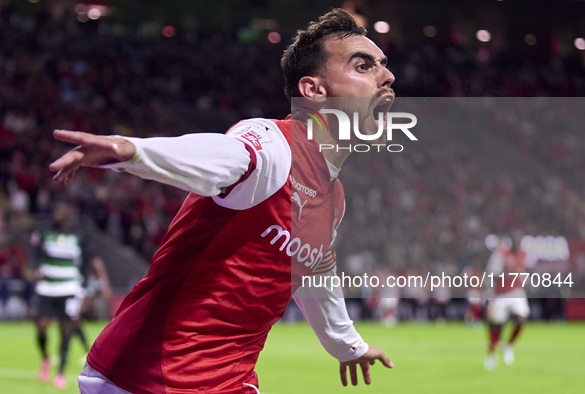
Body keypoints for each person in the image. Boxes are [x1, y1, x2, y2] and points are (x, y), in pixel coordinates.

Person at [50, 9, 395, 394]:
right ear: (313, 91)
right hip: (148, 375)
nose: (387, 76)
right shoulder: (272, 144)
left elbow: (315, 273)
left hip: (228, 380)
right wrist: (131, 151)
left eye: (384, 65)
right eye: (363, 66)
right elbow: (226, 156)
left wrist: (348, 346)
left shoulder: (333, 197)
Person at [30, 201, 89, 389]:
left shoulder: (78, 235)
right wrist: (35, 271)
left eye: (60, 210)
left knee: (66, 331)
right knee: (41, 327)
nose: (57, 214)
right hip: (46, 288)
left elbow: (86, 262)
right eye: (55, 210)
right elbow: (34, 256)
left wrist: (84, 288)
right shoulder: (43, 232)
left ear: (68, 213)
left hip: (69, 288)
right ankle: (46, 358)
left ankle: (60, 373)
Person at [484, 235, 530, 370]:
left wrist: (524, 280)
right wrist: (508, 274)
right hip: (501, 293)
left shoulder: (523, 254)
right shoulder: (501, 254)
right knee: (497, 325)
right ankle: (491, 355)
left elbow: (523, 271)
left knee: (521, 319)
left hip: (516, 292)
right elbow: (492, 274)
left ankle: (508, 346)